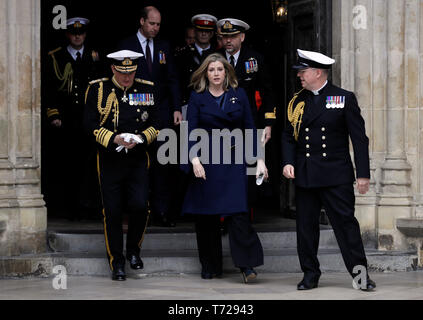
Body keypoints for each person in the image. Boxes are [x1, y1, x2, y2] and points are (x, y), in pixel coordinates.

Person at [281, 49, 376, 291]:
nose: (299, 76)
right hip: (306, 174)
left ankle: (360, 275)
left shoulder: (343, 98)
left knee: (346, 226)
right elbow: (288, 136)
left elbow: (359, 139)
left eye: (303, 72)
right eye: (299, 72)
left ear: (318, 72)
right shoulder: (297, 101)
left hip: (336, 174)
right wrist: (288, 162)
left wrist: (362, 174)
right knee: (305, 229)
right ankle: (310, 275)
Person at [181, 53, 268, 283]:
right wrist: (194, 159)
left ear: (227, 72)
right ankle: (210, 265)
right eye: (211, 70)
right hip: (207, 163)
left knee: (238, 213)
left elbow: (250, 128)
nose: (216, 74)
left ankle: (247, 265)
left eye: (220, 69)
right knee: (206, 217)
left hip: (233, 161)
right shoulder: (197, 97)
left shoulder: (238, 94)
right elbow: (190, 131)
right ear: (205, 73)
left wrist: (260, 159)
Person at [84, 50, 160, 281]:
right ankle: (117, 261)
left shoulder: (146, 88)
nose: (127, 78)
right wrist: (114, 139)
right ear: (113, 69)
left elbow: (156, 124)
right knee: (113, 211)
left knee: (139, 206)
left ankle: (133, 250)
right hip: (110, 158)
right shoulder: (98, 89)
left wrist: (141, 139)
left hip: (137, 158)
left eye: (131, 73)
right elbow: (89, 125)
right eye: (122, 73)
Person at [118, 6, 182, 227]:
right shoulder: (126, 45)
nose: (155, 28)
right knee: (134, 164)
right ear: (142, 21)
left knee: (162, 164)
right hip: (135, 113)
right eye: (152, 23)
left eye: (158, 24)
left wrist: (176, 108)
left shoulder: (164, 47)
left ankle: (161, 211)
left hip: (162, 113)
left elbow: (172, 78)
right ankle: (134, 212)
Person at [43, 17, 105, 220]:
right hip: (66, 119)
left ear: (85, 34)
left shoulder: (95, 56)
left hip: (90, 119)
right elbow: (50, 88)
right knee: (67, 164)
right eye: (73, 33)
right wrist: (53, 114)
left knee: (90, 165)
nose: (77, 36)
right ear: (68, 34)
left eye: (81, 33)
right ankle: (68, 208)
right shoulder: (55, 56)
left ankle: (88, 207)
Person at [217, 18, 278, 220]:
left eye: (233, 36)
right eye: (225, 36)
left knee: (248, 171)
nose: (228, 41)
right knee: (222, 170)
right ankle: (222, 217)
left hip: (249, 124)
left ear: (242, 37)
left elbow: (268, 92)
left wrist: (268, 123)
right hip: (220, 125)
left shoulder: (255, 59)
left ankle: (245, 215)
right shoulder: (213, 59)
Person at [175, 14, 218, 106]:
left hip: (213, 104)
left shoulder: (219, 54)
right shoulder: (182, 54)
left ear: (212, 33)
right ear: (195, 31)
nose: (204, 34)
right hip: (188, 103)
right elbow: (176, 83)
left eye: (207, 31)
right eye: (201, 30)